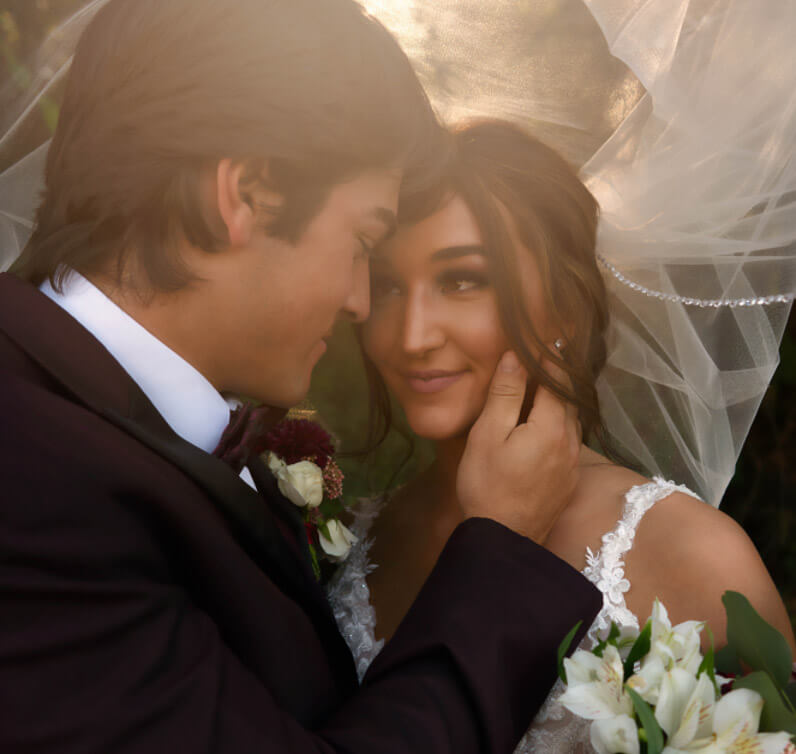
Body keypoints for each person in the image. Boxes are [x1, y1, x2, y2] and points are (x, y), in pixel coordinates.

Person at [0, 1, 605, 752]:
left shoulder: (85, 417)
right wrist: (502, 552)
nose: (358, 302)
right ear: (247, 197)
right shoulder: (34, 478)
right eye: (364, 244)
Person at [327, 119, 796, 751]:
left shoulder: (692, 554)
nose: (411, 336)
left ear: (567, 306)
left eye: (461, 280)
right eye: (385, 284)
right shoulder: (352, 536)